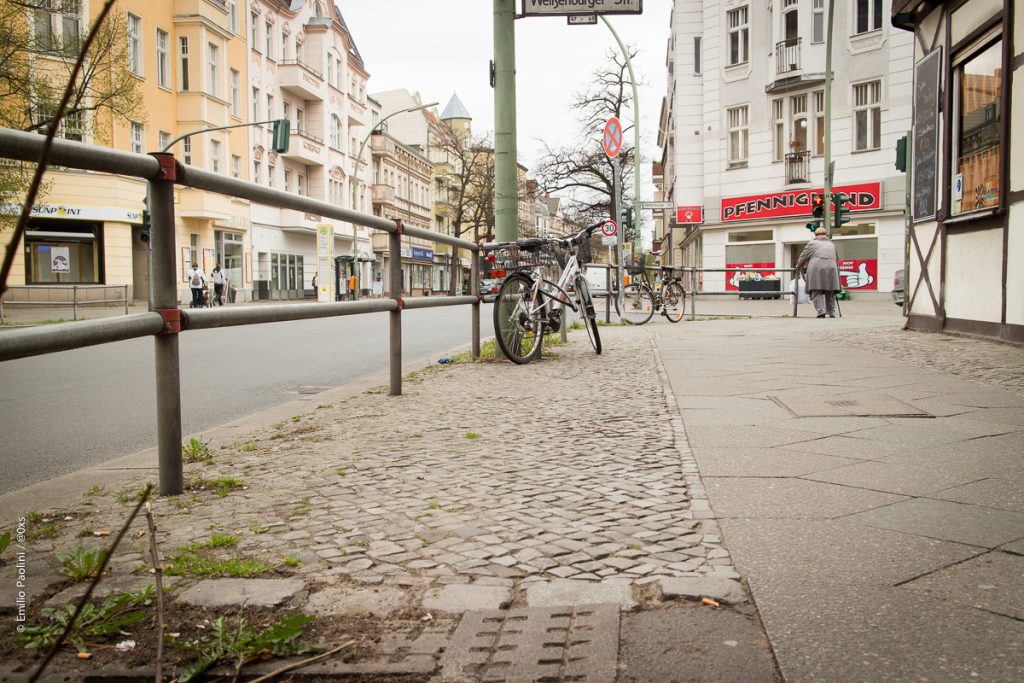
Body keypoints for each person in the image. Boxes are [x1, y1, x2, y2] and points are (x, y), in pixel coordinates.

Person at [795, 227, 841, 318]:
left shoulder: (812, 243)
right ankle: (832, 312)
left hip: (817, 268)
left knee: (816, 290)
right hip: (831, 268)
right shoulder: (831, 244)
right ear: (826, 235)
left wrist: (798, 265)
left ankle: (821, 312)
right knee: (830, 291)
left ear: (815, 235)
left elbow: (804, 256)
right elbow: (837, 257)